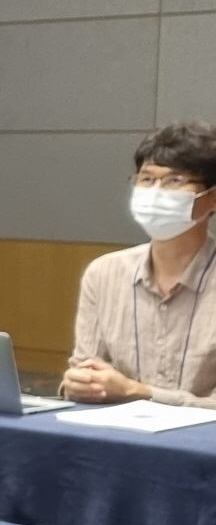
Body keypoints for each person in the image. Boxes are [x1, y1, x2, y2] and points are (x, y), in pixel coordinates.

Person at [62, 122, 216, 408]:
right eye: (146, 179)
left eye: (175, 181)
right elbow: (86, 368)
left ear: (212, 197)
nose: (156, 192)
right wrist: (81, 383)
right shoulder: (104, 273)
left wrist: (142, 392)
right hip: (115, 431)